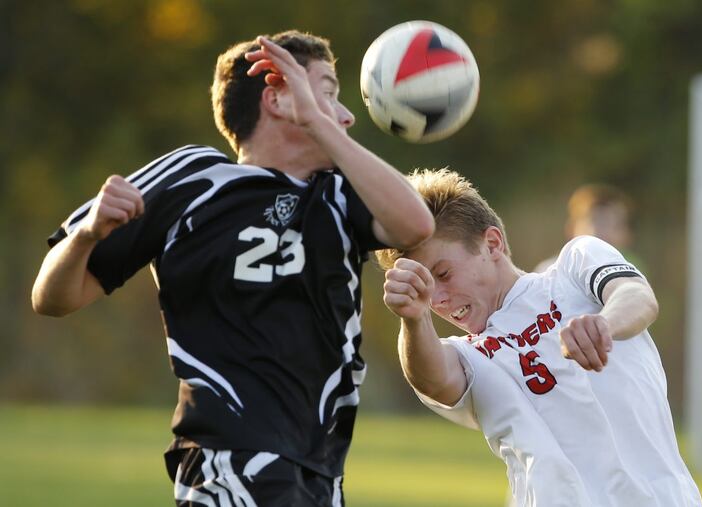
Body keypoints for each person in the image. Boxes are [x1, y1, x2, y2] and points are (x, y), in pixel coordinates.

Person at [31, 31, 434, 506]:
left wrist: (321, 123)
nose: (346, 115)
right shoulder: (195, 177)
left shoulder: (340, 193)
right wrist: (87, 235)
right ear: (278, 97)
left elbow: (416, 225)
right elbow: (51, 298)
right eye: (327, 92)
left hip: (320, 473)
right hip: (228, 461)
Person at [377, 169, 702, 506]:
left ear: (492, 243)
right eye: (427, 289)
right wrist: (413, 319)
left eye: (443, 274)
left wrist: (604, 325)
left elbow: (636, 295)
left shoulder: (575, 266)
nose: (439, 299)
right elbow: (432, 379)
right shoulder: (470, 357)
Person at [534, 183, 642, 272]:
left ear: (628, 235)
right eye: (596, 223)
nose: (605, 233)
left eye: (615, 225)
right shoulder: (549, 273)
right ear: (572, 229)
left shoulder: (633, 270)